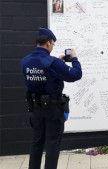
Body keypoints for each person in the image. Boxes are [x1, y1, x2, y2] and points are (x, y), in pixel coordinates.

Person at [22, 27, 82, 169]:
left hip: (35, 109)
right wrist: (74, 59)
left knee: (37, 142)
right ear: (48, 43)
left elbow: (41, 75)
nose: (52, 47)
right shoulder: (53, 62)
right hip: (53, 110)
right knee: (52, 143)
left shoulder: (25, 61)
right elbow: (75, 74)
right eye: (53, 44)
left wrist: (58, 63)